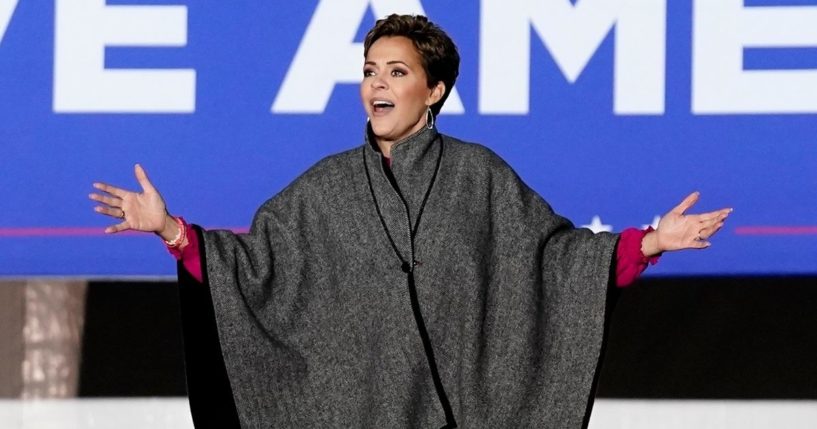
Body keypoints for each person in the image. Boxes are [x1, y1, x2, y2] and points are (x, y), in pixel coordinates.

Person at [90, 14, 730, 429]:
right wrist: (171, 229)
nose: (377, 85)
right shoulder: (326, 187)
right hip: (364, 412)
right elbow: (254, 271)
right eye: (370, 72)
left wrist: (651, 242)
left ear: (435, 90)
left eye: (397, 72)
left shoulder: (479, 175)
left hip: (467, 414)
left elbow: (559, 266)